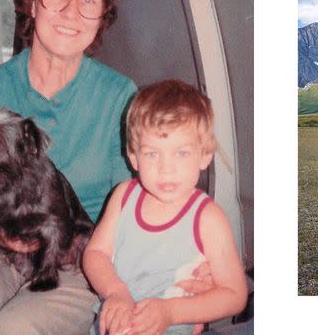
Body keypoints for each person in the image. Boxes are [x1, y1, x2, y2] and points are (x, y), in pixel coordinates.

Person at [0, 0, 208, 334]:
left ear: (102, 16)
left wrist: (188, 265)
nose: (71, 13)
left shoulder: (119, 96)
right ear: (31, 2)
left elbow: (150, 201)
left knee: (16, 330)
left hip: (79, 260)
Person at [83, 79, 247, 335]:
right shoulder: (124, 196)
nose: (166, 168)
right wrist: (115, 292)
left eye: (181, 153)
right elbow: (96, 254)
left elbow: (235, 295)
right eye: (152, 154)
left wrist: (170, 311)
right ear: (133, 156)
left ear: (205, 155)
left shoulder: (207, 218)